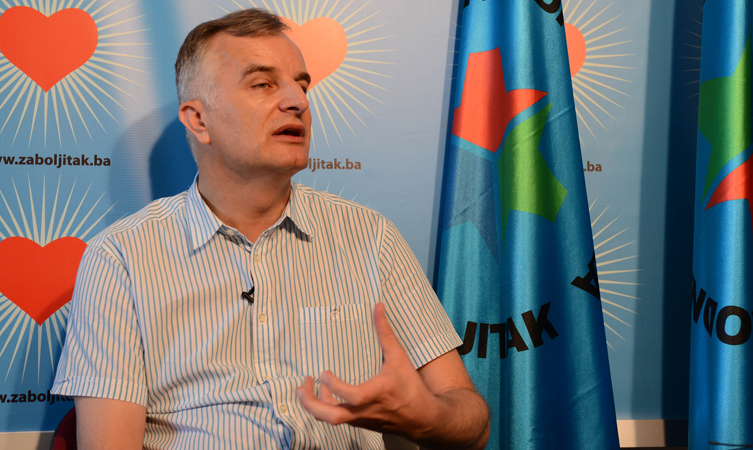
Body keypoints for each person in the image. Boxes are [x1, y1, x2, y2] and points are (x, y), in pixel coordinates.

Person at [51, 8, 489, 450]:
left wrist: (429, 418)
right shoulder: (121, 257)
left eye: (301, 84)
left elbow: (472, 424)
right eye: (263, 84)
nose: (298, 101)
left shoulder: (371, 237)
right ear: (199, 120)